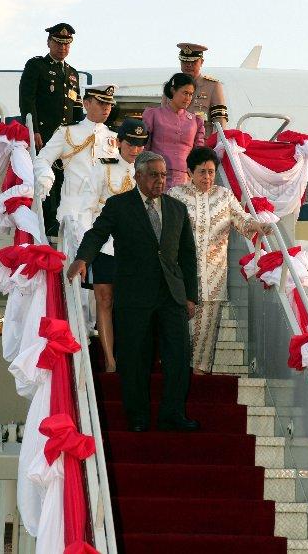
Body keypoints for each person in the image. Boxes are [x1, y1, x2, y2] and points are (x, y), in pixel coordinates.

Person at [67, 151, 199, 433]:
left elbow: (188, 255)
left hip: (171, 295)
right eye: (153, 175)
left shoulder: (177, 209)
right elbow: (96, 234)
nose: (160, 181)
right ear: (137, 176)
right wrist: (82, 259)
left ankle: (172, 414)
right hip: (134, 296)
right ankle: (137, 416)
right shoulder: (119, 205)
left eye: (163, 175)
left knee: (178, 357)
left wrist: (190, 296)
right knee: (135, 358)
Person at [168, 146, 272, 374]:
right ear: (189, 172)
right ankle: (176, 374)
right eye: (202, 172)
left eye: (211, 172)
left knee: (205, 335)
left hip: (213, 276)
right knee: (179, 333)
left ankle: (199, 376)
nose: (207, 177)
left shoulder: (224, 196)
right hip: (180, 277)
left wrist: (259, 226)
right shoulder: (175, 195)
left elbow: (242, 220)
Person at [79, 118, 148, 372]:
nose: (136, 149)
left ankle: (131, 356)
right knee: (105, 300)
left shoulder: (151, 171)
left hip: (137, 251)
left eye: (141, 144)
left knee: (132, 304)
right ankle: (109, 360)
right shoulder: (102, 168)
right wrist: (86, 252)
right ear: (119, 143)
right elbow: (86, 210)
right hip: (106, 247)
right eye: (131, 143)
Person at [19, 23, 82, 234]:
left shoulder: (73, 74)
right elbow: (27, 100)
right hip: (44, 135)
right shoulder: (37, 66)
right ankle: (45, 224)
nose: (62, 48)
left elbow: (77, 107)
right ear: (49, 43)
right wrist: (33, 130)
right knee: (46, 181)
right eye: (58, 43)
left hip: (67, 139)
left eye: (66, 44)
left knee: (64, 180)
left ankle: (58, 223)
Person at [33, 83, 119, 231]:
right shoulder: (67, 132)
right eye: (101, 103)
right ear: (86, 104)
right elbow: (42, 159)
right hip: (74, 211)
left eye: (109, 104)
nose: (106, 108)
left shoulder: (115, 137)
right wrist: (46, 176)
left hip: (105, 213)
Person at [143, 73, 205, 190]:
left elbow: (198, 153)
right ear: (173, 90)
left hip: (185, 177)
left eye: (191, 94)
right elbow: (144, 147)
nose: (188, 98)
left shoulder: (196, 121)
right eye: (185, 93)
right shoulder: (154, 115)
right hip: (156, 175)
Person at [175, 42, 228, 135]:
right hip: (174, 142)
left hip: (201, 144)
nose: (188, 65)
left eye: (193, 62)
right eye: (185, 61)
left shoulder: (213, 86)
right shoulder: (171, 86)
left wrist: (220, 146)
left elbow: (220, 121)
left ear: (201, 62)